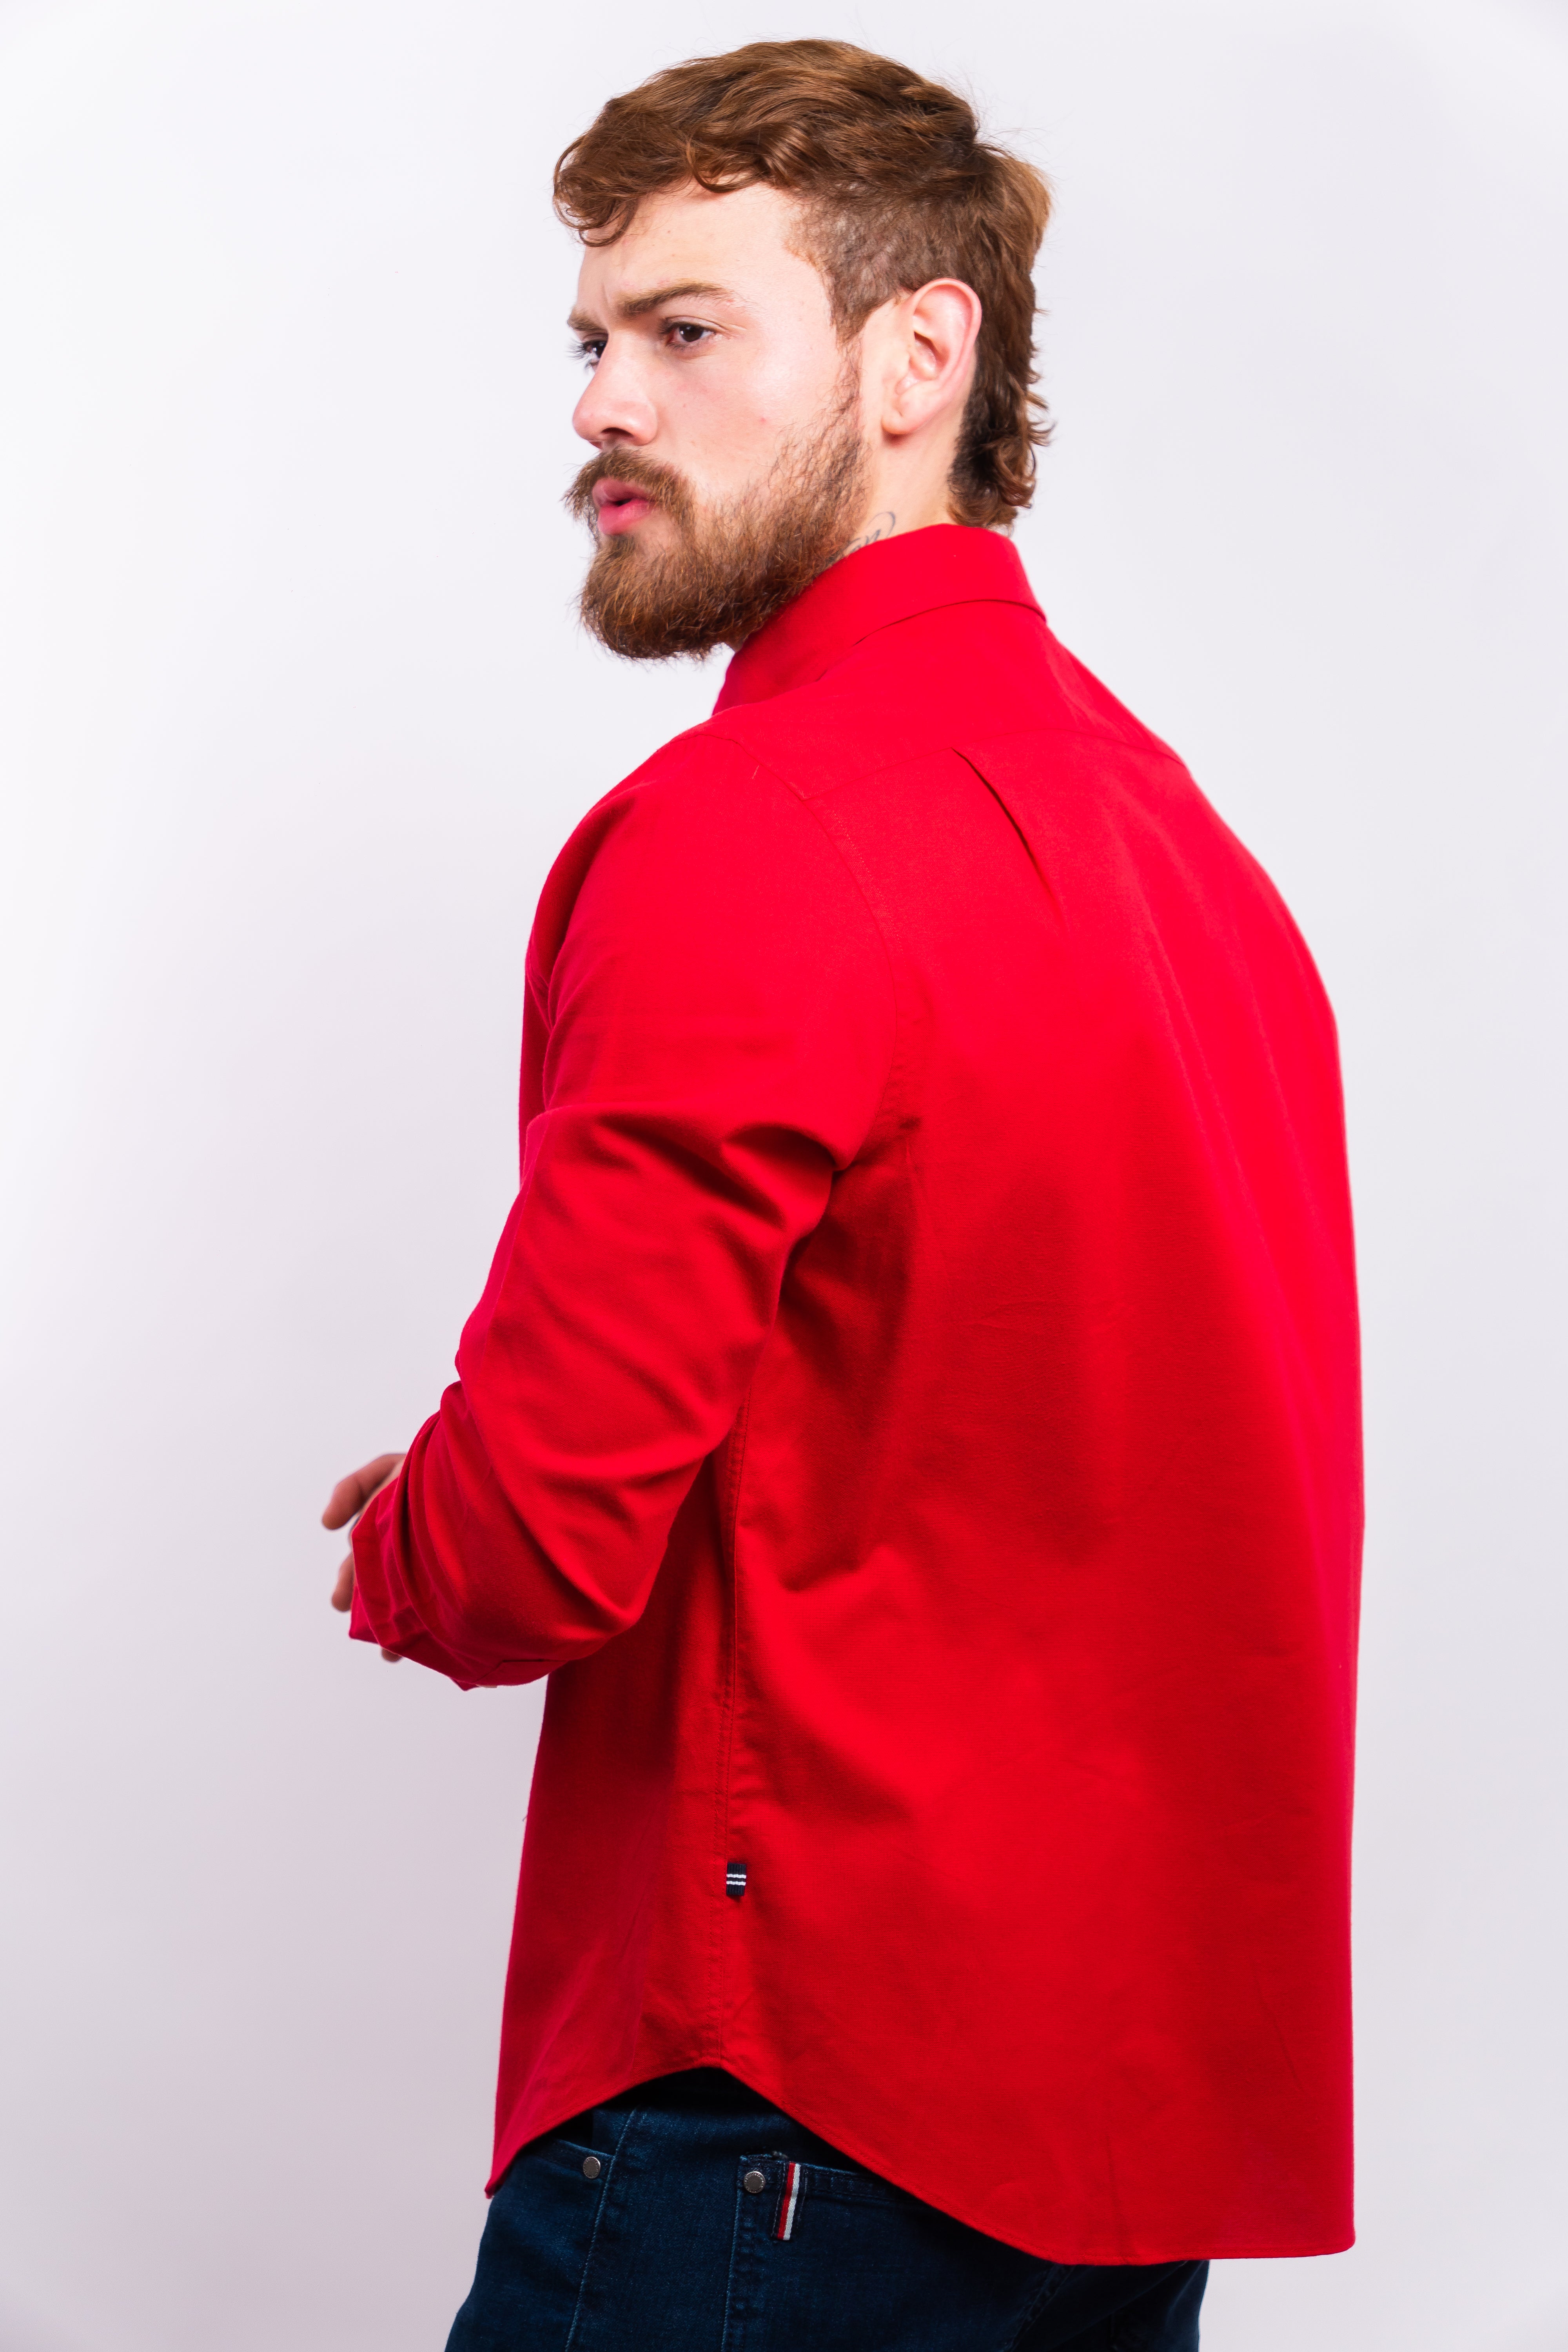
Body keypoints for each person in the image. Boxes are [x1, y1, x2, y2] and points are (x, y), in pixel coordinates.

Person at [323, 40, 1362, 2351]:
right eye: (593, 338)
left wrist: (422, 1529)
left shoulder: (747, 830)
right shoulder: (1190, 857)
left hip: (779, 2108)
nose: (605, 404)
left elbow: (531, 1547)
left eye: (686, 330)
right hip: (1110, 2148)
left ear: (918, 358)